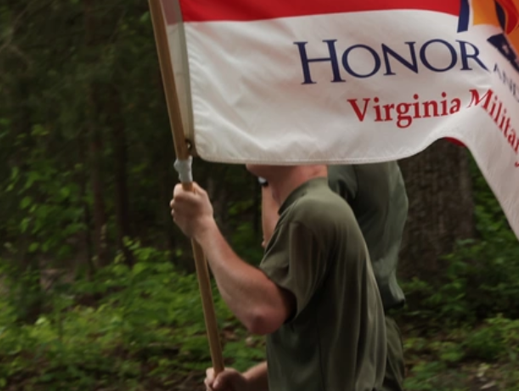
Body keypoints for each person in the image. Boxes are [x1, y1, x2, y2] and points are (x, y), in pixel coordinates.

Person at [171, 164, 389, 391]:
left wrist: (204, 227)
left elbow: (261, 311)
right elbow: (326, 351)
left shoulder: (310, 213)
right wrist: (249, 383)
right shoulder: (322, 207)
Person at [256, 163, 409, 391]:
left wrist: (268, 176)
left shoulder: (337, 166)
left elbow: (277, 240)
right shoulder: (381, 158)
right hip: (370, 335)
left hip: (346, 341)